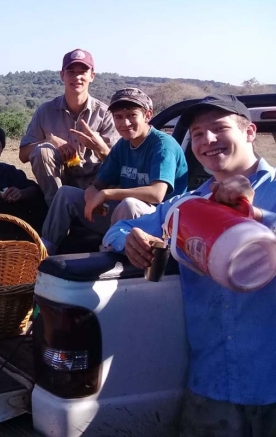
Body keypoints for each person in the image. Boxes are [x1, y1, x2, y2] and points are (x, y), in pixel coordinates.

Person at [103, 95, 276, 436]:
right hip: (211, 388)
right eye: (197, 133)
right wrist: (133, 240)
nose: (207, 140)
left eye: (219, 129)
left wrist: (253, 216)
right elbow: (116, 230)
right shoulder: (188, 206)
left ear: (250, 132)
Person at [42, 88, 188, 254]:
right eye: (118, 117)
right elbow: (100, 181)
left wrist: (106, 194)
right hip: (122, 218)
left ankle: (109, 259)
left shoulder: (162, 145)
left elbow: (157, 194)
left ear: (147, 115)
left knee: (129, 204)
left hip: (160, 223)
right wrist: (92, 192)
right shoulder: (123, 145)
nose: (124, 123)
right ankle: (44, 252)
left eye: (132, 115)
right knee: (66, 194)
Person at [19, 48, 119, 205]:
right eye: (71, 71)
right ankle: (57, 208)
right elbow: (23, 155)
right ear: (62, 75)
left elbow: (119, 163)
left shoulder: (105, 114)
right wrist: (48, 141)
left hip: (96, 182)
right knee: (41, 151)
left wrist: (99, 148)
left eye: (83, 72)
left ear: (92, 76)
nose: (77, 77)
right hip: (58, 182)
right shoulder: (45, 111)